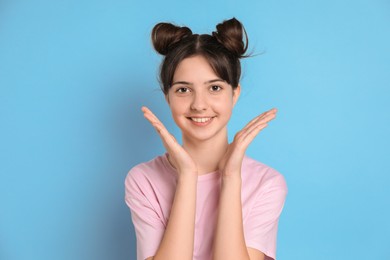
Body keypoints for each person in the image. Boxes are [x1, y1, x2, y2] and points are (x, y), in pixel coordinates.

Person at [125, 17, 287, 260]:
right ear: (168, 97)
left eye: (214, 88)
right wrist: (187, 176)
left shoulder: (266, 183)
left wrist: (231, 178)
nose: (199, 105)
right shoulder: (143, 180)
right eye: (183, 89)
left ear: (235, 94)